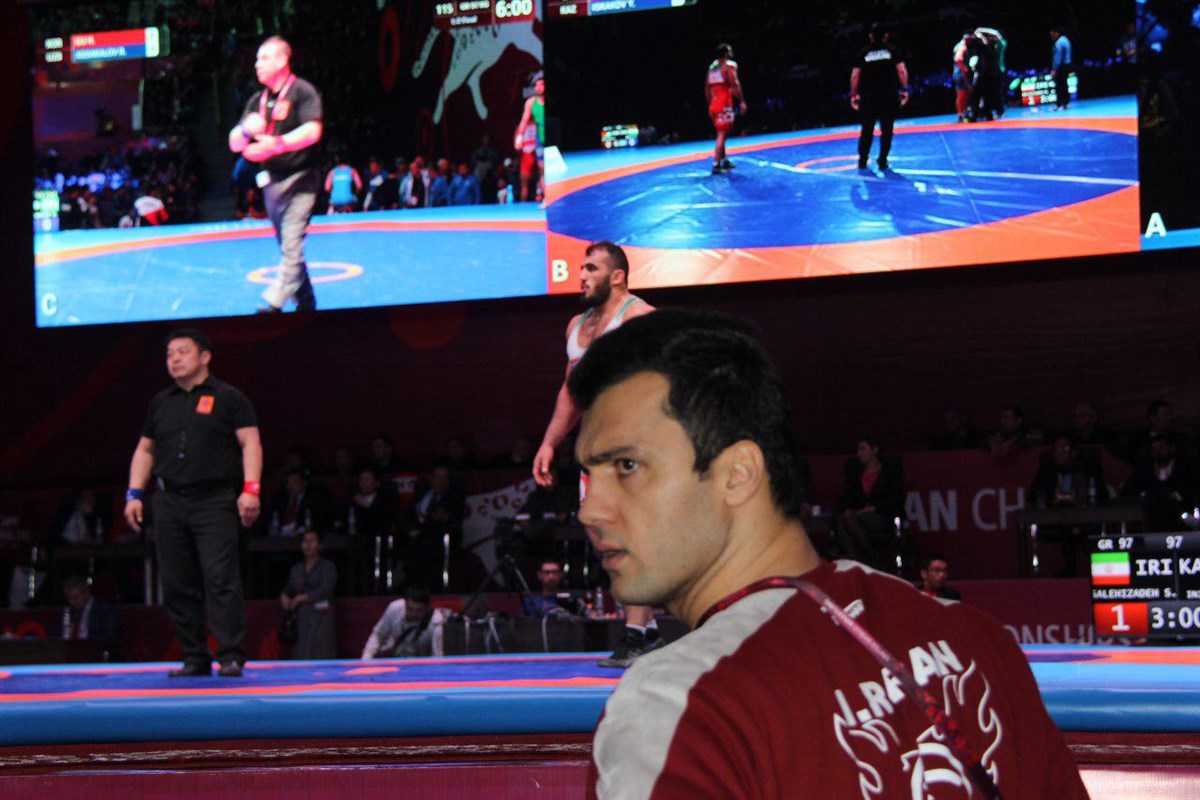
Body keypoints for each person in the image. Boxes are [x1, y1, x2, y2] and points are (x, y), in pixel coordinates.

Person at [569, 309, 1089, 799]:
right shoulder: (974, 638)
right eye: (589, 475)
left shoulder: (676, 706)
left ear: (738, 474)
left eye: (627, 466)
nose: (590, 510)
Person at [531, 241, 656, 668]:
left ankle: (635, 633)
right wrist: (549, 442)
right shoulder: (576, 325)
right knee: (603, 539)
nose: (581, 276)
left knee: (629, 537)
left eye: (590, 268)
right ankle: (648, 630)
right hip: (594, 449)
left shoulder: (639, 318)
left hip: (633, 447)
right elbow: (570, 394)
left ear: (617, 276)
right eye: (581, 268)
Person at [124, 329, 262, 677]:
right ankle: (194, 656)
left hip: (214, 499)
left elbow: (250, 442)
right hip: (169, 500)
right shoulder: (160, 402)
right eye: (169, 354)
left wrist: (251, 489)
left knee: (220, 577)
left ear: (205, 357)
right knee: (176, 582)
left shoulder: (229, 397)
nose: (174, 359)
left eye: (183, 352)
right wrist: (134, 493)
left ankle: (230, 655)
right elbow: (145, 449)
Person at [229, 36, 324, 313]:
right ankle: (306, 300)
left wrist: (277, 144)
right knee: (287, 245)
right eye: (257, 59)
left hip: (302, 178)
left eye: (264, 58)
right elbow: (235, 144)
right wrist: (245, 130)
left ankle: (275, 300)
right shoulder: (257, 100)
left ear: (282, 60)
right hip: (271, 182)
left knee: (292, 239)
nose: (257, 64)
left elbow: (313, 131)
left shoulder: (302, 91)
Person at [833, 435, 906, 568]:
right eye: (858, 450)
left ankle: (870, 558)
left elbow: (897, 497)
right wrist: (847, 508)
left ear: (874, 450)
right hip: (859, 514)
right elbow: (846, 496)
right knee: (842, 518)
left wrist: (874, 508)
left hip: (882, 514)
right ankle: (857, 559)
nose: (859, 453)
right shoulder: (856, 472)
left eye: (863, 449)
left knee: (850, 520)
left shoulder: (889, 471)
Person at [850, 23, 909, 170]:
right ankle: (883, 160)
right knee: (887, 129)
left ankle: (863, 160)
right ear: (885, 36)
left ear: (870, 36)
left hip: (868, 96)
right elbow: (901, 71)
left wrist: (854, 94)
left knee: (867, 129)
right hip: (888, 95)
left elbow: (855, 75)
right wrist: (904, 90)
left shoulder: (863, 53)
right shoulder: (892, 51)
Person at [280, 529, 337, 659]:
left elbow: (326, 589)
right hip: (301, 619)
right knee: (301, 653)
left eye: (312, 541)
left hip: (321, 618)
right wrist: (284, 597)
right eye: (305, 541)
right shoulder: (296, 569)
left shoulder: (327, 566)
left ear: (320, 545)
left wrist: (302, 598)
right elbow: (288, 589)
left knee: (321, 653)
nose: (308, 544)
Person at [362, 584, 449, 658]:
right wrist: (366, 660)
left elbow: (437, 655)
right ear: (405, 603)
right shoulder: (394, 609)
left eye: (419, 610)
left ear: (427, 607)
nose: (414, 614)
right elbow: (378, 636)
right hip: (397, 661)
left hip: (422, 665)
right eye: (410, 609)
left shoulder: (436, 622)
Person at [52, 575, 119, 659]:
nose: (72, 602)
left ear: (87, 593)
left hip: (93, 656)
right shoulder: (67, 612)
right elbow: (54, 636)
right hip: (66, 656)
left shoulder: (103, 610)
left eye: (76, 597)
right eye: (69, 599)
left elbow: (109, 638)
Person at [705, 44, 746, 175]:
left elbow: (707, 88)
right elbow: (735, 84)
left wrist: (710, 104)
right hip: (724, 104)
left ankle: (725, 160)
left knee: (721, 133)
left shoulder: (712, 67)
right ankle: (716, 164)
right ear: (726, 53)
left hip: (713, 104)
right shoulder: (729, 66)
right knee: (722, 135)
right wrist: (741, 101)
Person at [514, 73, 546, 201]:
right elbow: (524, 121)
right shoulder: (531, 102)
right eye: (536, 85)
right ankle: (546, 198)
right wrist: (519, 137)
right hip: (540, 139)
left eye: (541, 84)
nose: (538, 87)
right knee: (542, 168)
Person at [952, 31, 974, 122]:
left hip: (959, 72)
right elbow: (958, 59)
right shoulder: (962, 46)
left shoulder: (958, 45)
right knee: (962, 94)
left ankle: (963, 113)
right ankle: (961, 114)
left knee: (965, 94)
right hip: (960, 73)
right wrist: (964, 71)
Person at [1051, 26, 1073, 110]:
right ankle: (1066, 103)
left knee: (1059, 85)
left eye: (1052, 34)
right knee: (1064, 84)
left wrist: (1054, 69)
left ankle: (1058, 104)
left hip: (1061, 66)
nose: (1052, 37)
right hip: (1067, 65)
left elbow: (1058, 58)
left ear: (1057, 33)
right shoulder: (1066, 40)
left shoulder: (1059, 43)